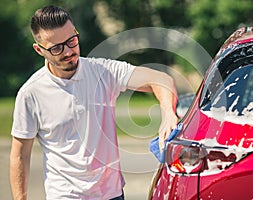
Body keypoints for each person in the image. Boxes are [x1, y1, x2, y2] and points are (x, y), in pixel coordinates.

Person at [9, 5, 178, 200]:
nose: (68, 51)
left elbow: (161, 80)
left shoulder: (103, 72)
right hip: (65, 195)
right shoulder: (31, 93)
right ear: (39, 50)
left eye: (71, 41)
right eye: (56, 48)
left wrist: (167, 113)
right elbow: (20, 155)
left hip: (111, 194)